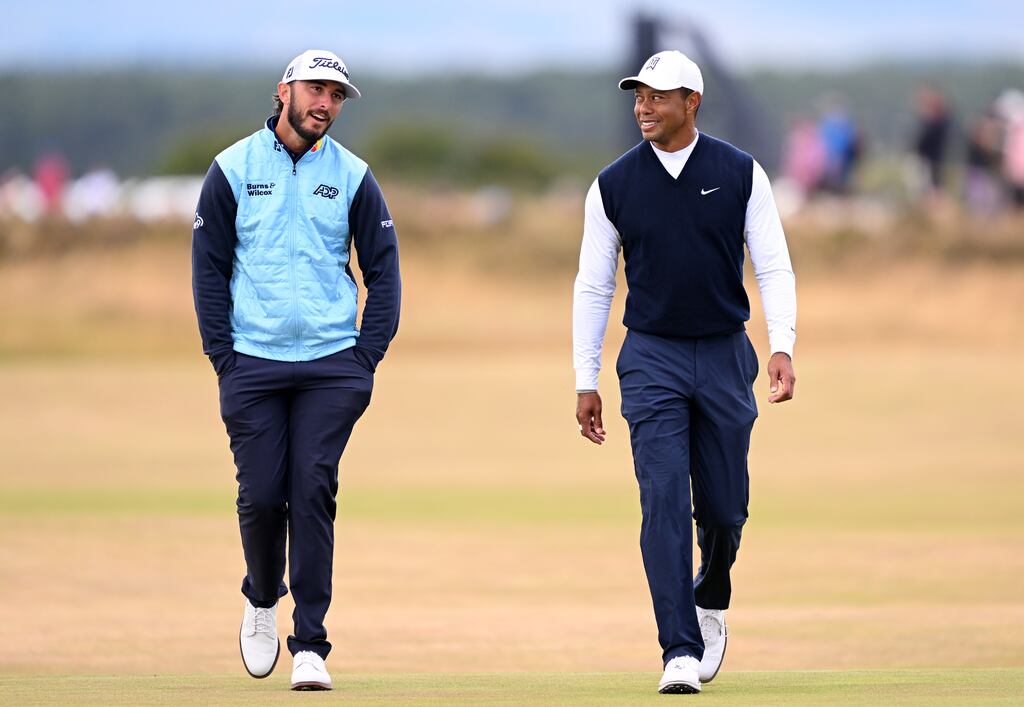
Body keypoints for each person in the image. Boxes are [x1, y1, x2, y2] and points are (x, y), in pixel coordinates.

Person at [572, 51, 796, 695]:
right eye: (638, 96)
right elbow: (593, 287)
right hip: (651, 358)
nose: (643, 106)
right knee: (663, 499)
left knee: (724, 512)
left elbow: (773, 267)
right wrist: (586, 378)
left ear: (691, 102)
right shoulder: (612, 184)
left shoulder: (739, 172)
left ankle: (713, 590)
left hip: (726, 353)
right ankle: (677, 647)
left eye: (658, 97)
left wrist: (781, 344)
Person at [191, 49, 401, 691]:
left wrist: (365, 359)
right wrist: (223, 359)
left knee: (312, 489)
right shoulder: (232, 169)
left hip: (331, 365)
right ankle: (261, 596)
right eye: (316, 90)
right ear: (284, 90)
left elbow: (384, 271)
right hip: (251, 362)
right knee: (260, 496)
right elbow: (209, 270)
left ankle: (310, 644)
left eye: (337, 96)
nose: (326, 104)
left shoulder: (355, 176)